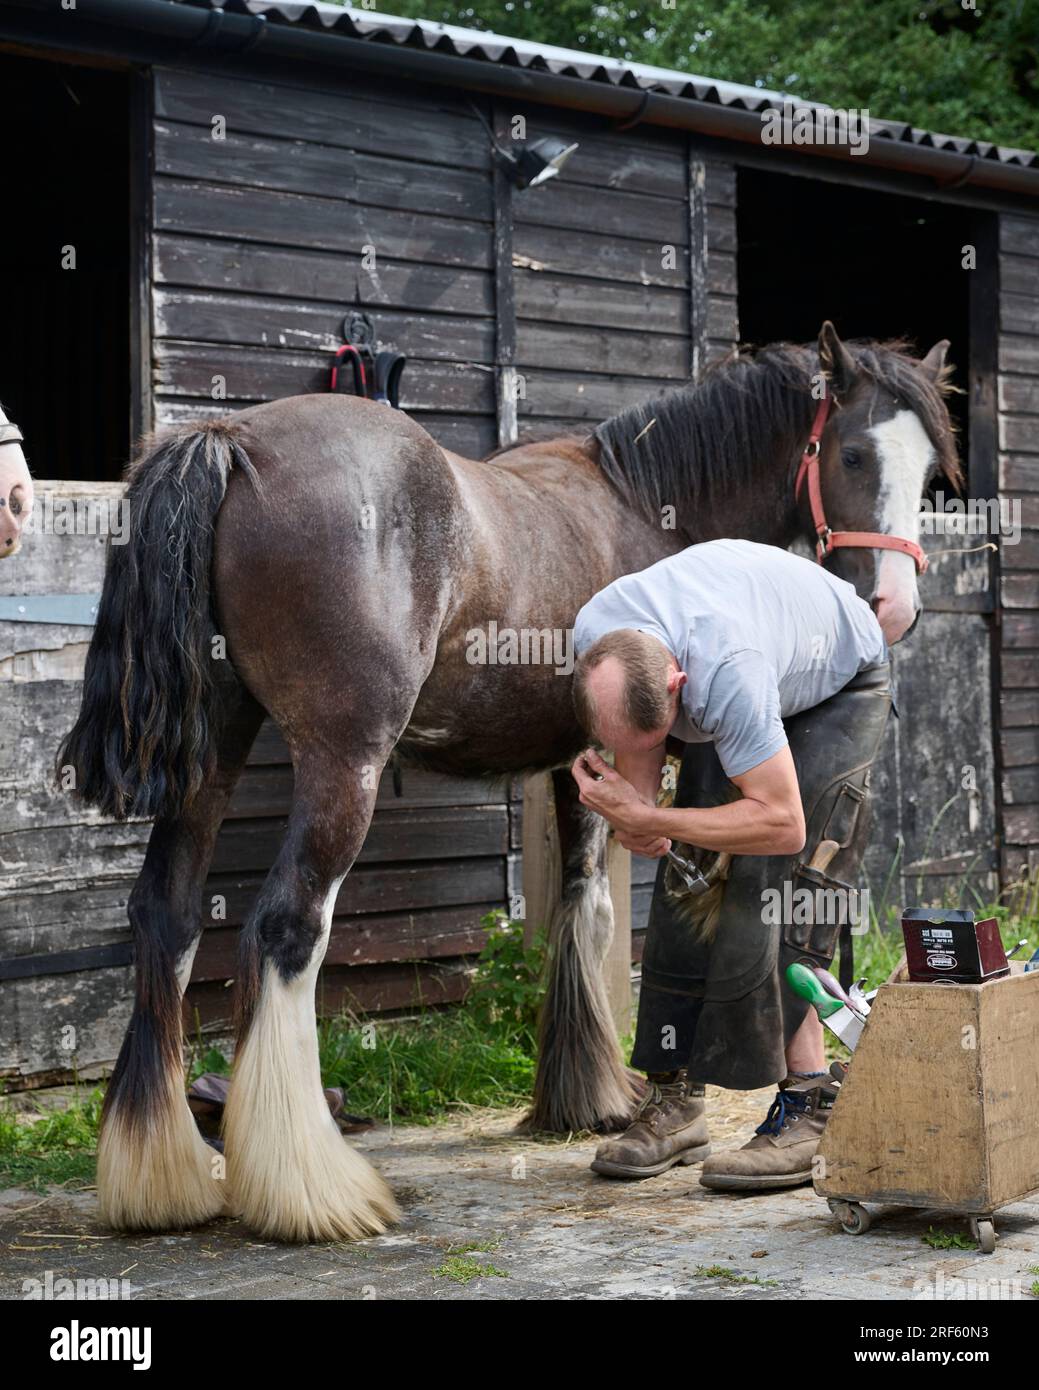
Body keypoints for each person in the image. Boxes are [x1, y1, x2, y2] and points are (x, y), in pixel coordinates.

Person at [570, 538, 892, 1189]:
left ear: (677, 688)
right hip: (740, 660)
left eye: (659, 737)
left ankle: (808, 1105)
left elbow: (780, 825)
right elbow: (642, 761)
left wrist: (652, 818)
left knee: (778, 882)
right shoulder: (596, 634)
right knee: (688, 876)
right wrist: (637, 817)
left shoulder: (727, 674)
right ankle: (675, 1099)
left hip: (839, 684)